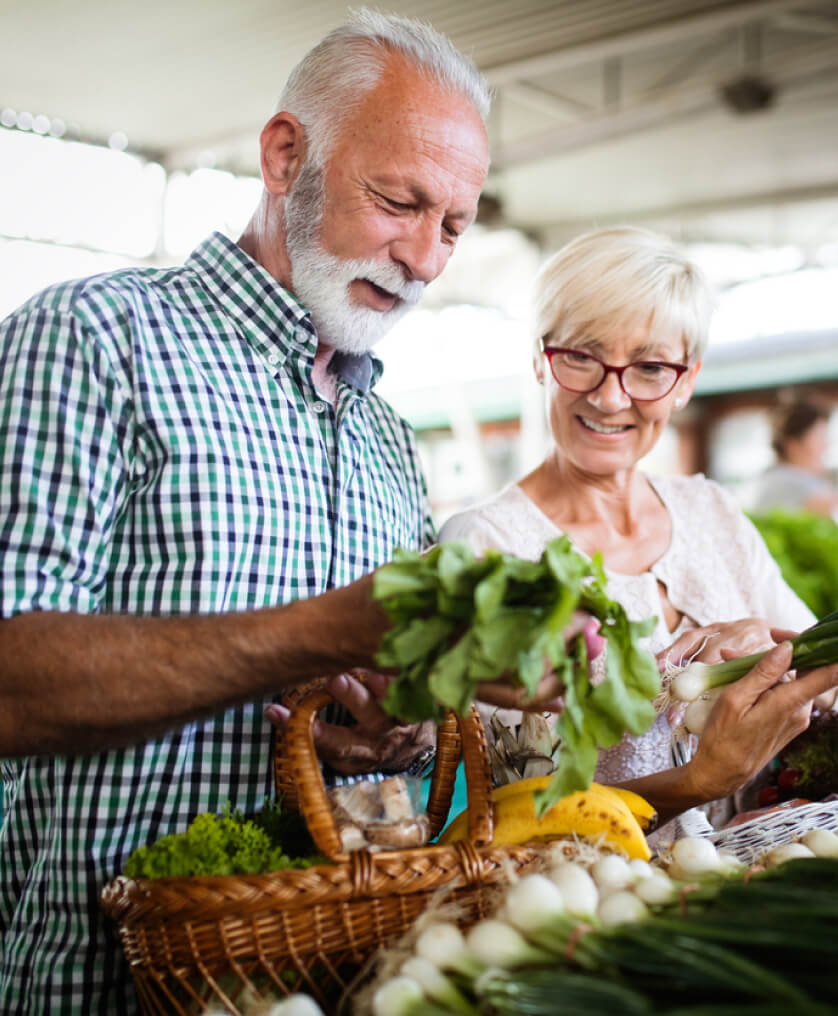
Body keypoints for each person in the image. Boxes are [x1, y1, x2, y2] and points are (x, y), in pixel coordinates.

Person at [0, 11, 493, 1013]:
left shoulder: (389, 438)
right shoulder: (96, 337)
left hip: (332, 984)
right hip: (91, 987)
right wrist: (317, 629)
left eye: (453, 224)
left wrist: (384, 733)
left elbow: (388, 743)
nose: (426, 259)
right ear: (284, 155)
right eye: (399, 201)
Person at [439, 226, 838, 838]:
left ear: (685, 382)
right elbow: (505, 815)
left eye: (649, 367)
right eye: (580, 356)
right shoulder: (486, 546)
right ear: (539, 357)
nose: (609, 396)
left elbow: (822, 683)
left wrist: (776, 663)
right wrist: (699, 783)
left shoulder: (712, 512)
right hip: (586, 910)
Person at [753, 397, 838, 520]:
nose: (826, 447)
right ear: (792, 444)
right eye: (819, 438)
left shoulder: (807, 479)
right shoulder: (780, 480)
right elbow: (828, 505)